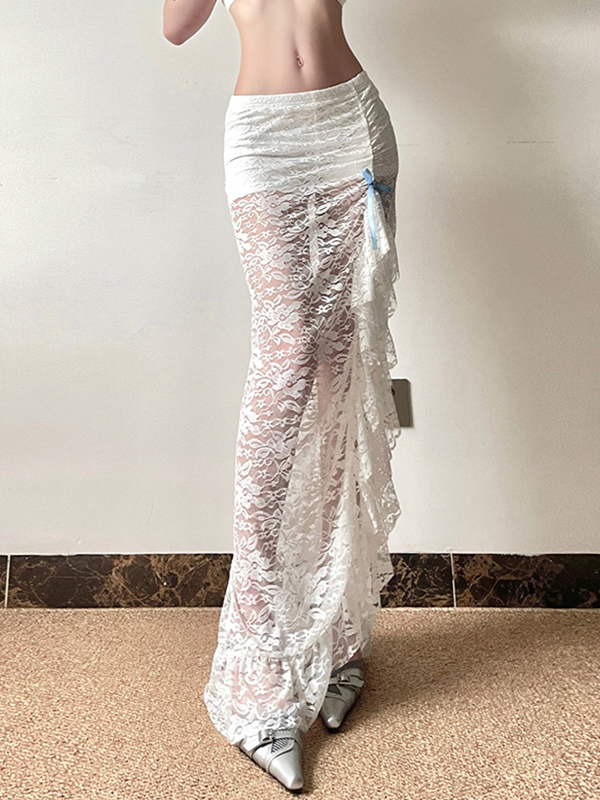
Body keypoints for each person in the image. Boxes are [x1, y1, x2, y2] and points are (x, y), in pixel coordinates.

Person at [162, 0, 402, 792]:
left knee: (343, 372)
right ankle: (262, 664)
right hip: (266, 138)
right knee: (290, 355)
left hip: (352, 128)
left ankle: (336, 636)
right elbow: (176, 25)